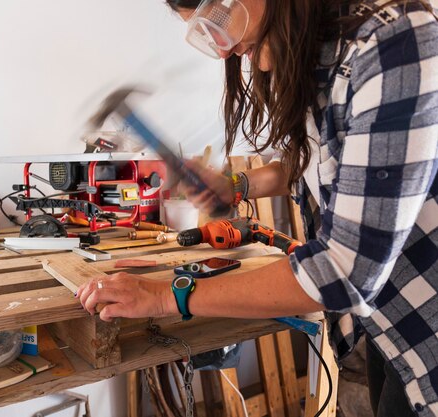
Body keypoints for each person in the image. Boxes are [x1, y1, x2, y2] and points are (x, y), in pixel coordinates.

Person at [77, 0, 438, 415]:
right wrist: (238, 185)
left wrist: (165, 296)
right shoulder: (326, 53)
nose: (223, 49)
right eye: (201, 30)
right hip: (386, 320)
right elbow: (332, 159)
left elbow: (344, 271)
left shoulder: (395, 41)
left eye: (216, 16)